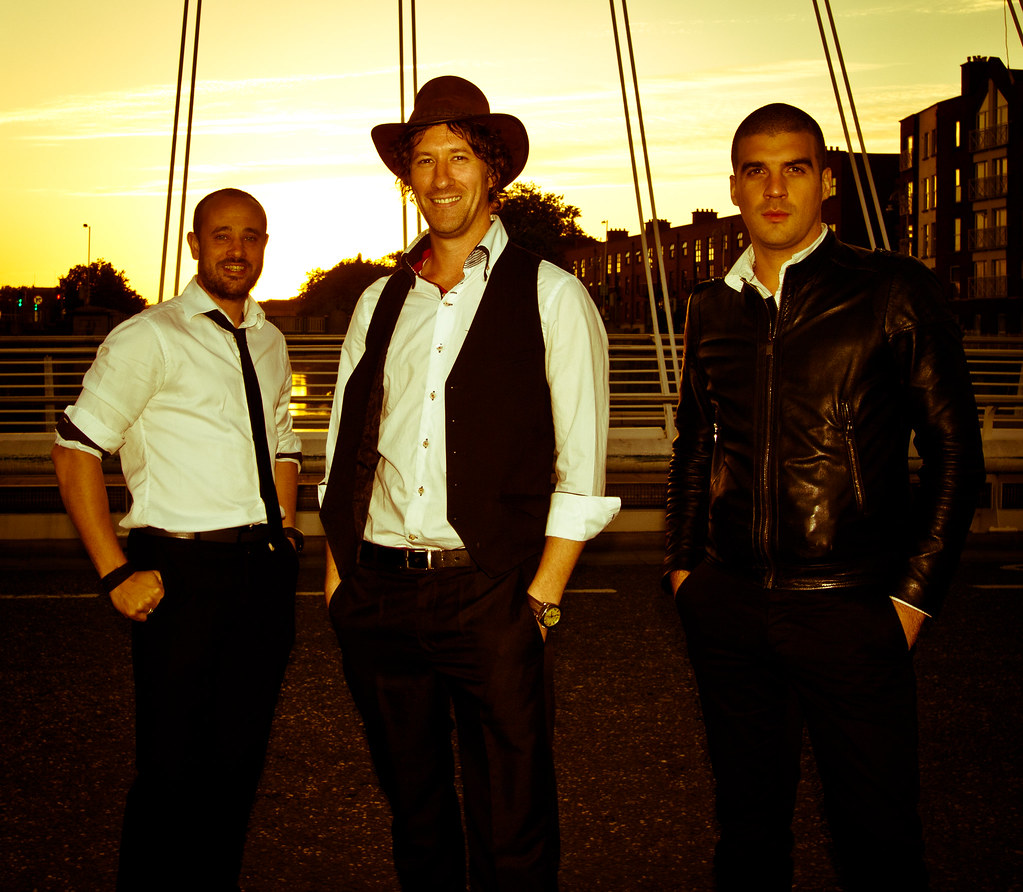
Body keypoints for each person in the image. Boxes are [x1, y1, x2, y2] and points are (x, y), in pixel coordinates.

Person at [664, 103, 985, 891]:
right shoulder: (710, 304)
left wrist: (909, 600)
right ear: (733, 186)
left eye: (795, 169)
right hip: (730, 605)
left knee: (876, 840)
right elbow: (694, 446)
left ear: (825, 182)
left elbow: (955, 454)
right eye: (756, 170)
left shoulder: (891, 291)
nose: (774, 189)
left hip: (852, 606)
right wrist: (684, 572)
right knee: (746, 832)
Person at [318, 75, 619, 891]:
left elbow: (581, 463)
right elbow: (347, 448)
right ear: (407, 178)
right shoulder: (378, 302)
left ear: (492, 171)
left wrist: (541, 597)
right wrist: (339, 577)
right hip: (380, 590)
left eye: (458, 156)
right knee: (413, 812)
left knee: (511, 818)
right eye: (424, 159)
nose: (441, 176)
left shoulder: (552, 295)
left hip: (490, 592)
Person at [52, 188, 303, 890]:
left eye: (251, 235)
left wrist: (287, 536)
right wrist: (114, 572)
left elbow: (284, 445)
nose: (237, 249)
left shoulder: (269, 338)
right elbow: (74, 451)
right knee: (170, 772)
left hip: (262, 574)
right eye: (221, 234)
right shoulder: (149, 337)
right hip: (180, 571)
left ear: (264, 245)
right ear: (195, 244)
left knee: (238, 768)